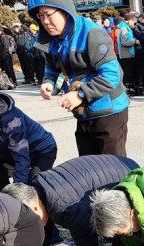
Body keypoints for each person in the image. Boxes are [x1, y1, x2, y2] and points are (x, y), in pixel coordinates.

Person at [4, 154, 139, 246]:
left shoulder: (68, 209)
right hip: (113, 165)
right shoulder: (37, 189)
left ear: (35, 208)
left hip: (130, 177)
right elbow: (42, 231)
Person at [29, 0, 129, 156]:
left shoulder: (91, 33)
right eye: (40, 16)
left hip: (109, 113)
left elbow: (112, 75)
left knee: (113, 166)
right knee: (86, 166)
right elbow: (53, 70)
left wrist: (80, 94)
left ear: (65, 11)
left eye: (48, 14)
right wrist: (49, 84)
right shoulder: (52, 39)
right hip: (83, 114)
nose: (45, 21)